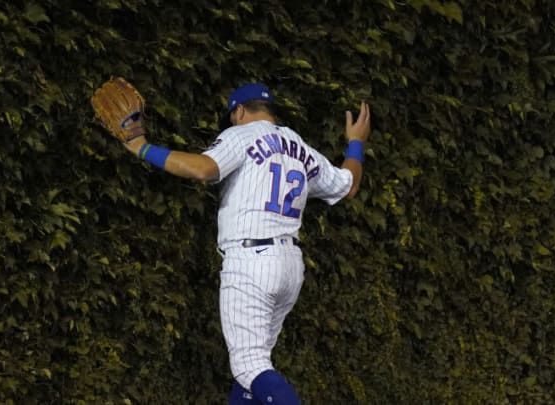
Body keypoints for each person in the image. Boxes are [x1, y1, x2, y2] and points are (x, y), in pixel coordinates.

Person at [120, 83, 371, 404]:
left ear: (238, 111)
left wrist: (142, 147)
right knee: (253, 369)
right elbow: (348, 185)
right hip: (289, 266)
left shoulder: (240, 134)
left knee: (249, 364)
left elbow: (203, 169)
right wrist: (355, 143)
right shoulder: (299, 146)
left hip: (250, 260)